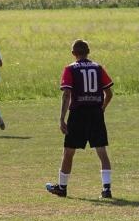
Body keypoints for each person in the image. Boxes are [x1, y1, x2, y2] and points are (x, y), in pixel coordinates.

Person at [46, 39, 113, 198]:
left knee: (69, 151)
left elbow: (67, 93)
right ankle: (106, 188)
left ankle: (62, 187)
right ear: (88, 51)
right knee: (101, 150)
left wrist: (62, 118)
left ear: (73, 53)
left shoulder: (70, 69)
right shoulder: (98, 68)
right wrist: (101, 108)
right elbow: (109, 93)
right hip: (95, 113)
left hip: (78, 113)